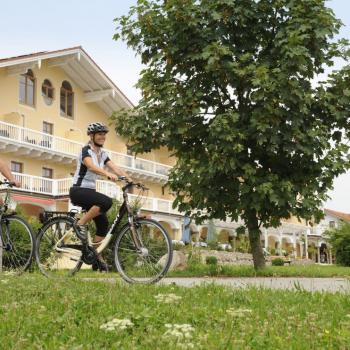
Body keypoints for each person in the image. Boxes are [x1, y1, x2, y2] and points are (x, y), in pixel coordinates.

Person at [69, 122, 132, 271]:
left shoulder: (102, 154)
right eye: (99, 134)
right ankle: (80, 224)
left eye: (104, 134)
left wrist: (130, 179)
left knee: (103, 224)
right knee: (106, 201)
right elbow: (91, 166)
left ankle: (95, 258)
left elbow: (115, 168)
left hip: (89, 192)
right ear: (92, 136)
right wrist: (106, 174)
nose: (103, 137)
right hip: (78, 190)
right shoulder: (86, 151)